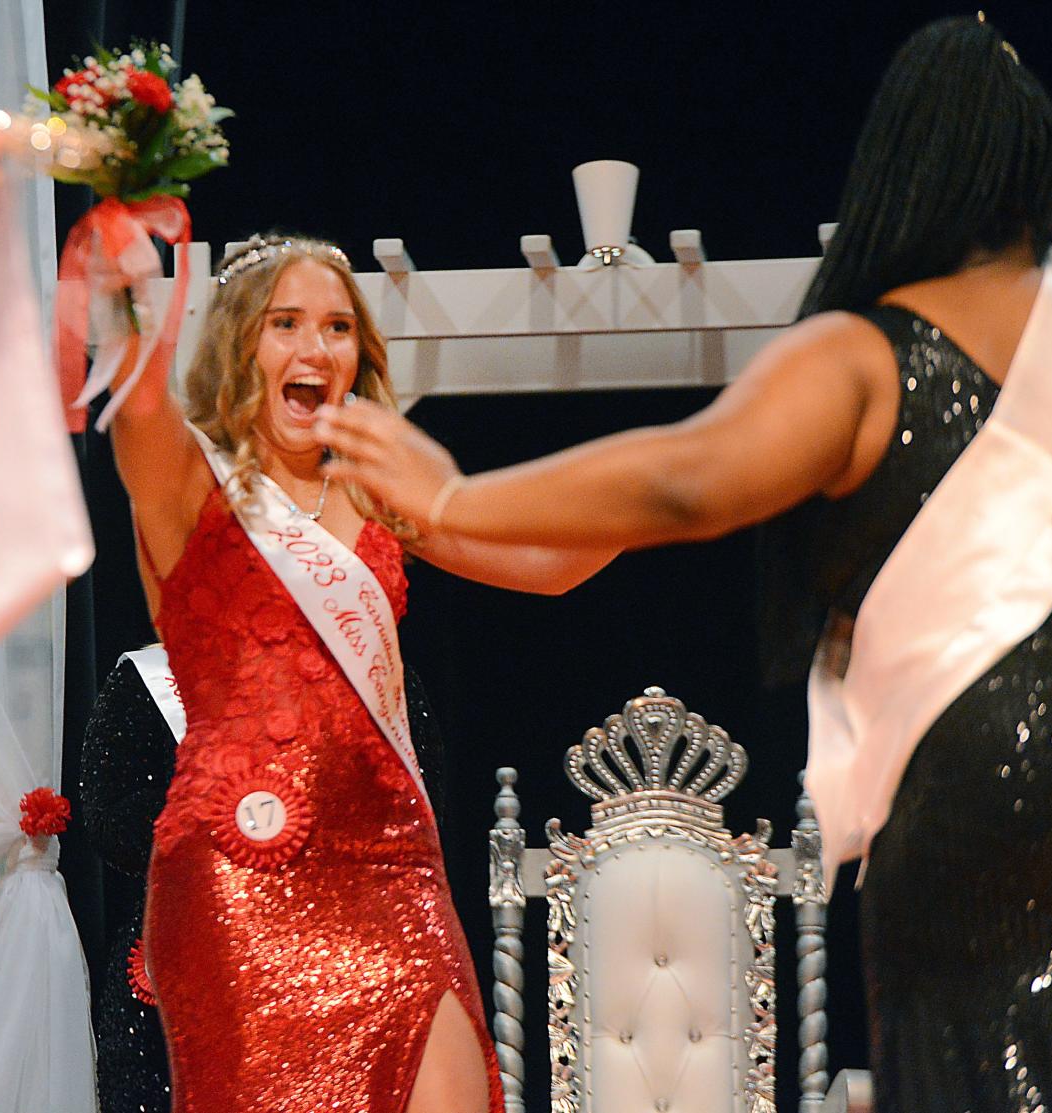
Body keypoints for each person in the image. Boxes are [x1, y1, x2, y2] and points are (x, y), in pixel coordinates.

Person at [314, 17, 1052, 1113]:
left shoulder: (858, 353)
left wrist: (453, 495)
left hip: (981, 816)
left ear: (897, 174)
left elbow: (686, 478)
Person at [107, 231, 617, 1113]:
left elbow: (552, 561)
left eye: (339, 328)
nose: (316, 348)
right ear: (238, 343)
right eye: (287, 324)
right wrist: (121, 254)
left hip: (394, 876)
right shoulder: (195, 485)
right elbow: (137, 405)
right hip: (241, 876)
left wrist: (682, 498)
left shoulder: (385, 493)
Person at [79, 644, 450, 1113]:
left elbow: (419, 807)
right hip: (187, 964)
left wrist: (314, 819)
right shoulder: (151, 677)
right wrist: (225, 814)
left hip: (345, 966)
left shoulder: (368, 667)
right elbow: (109, 819)